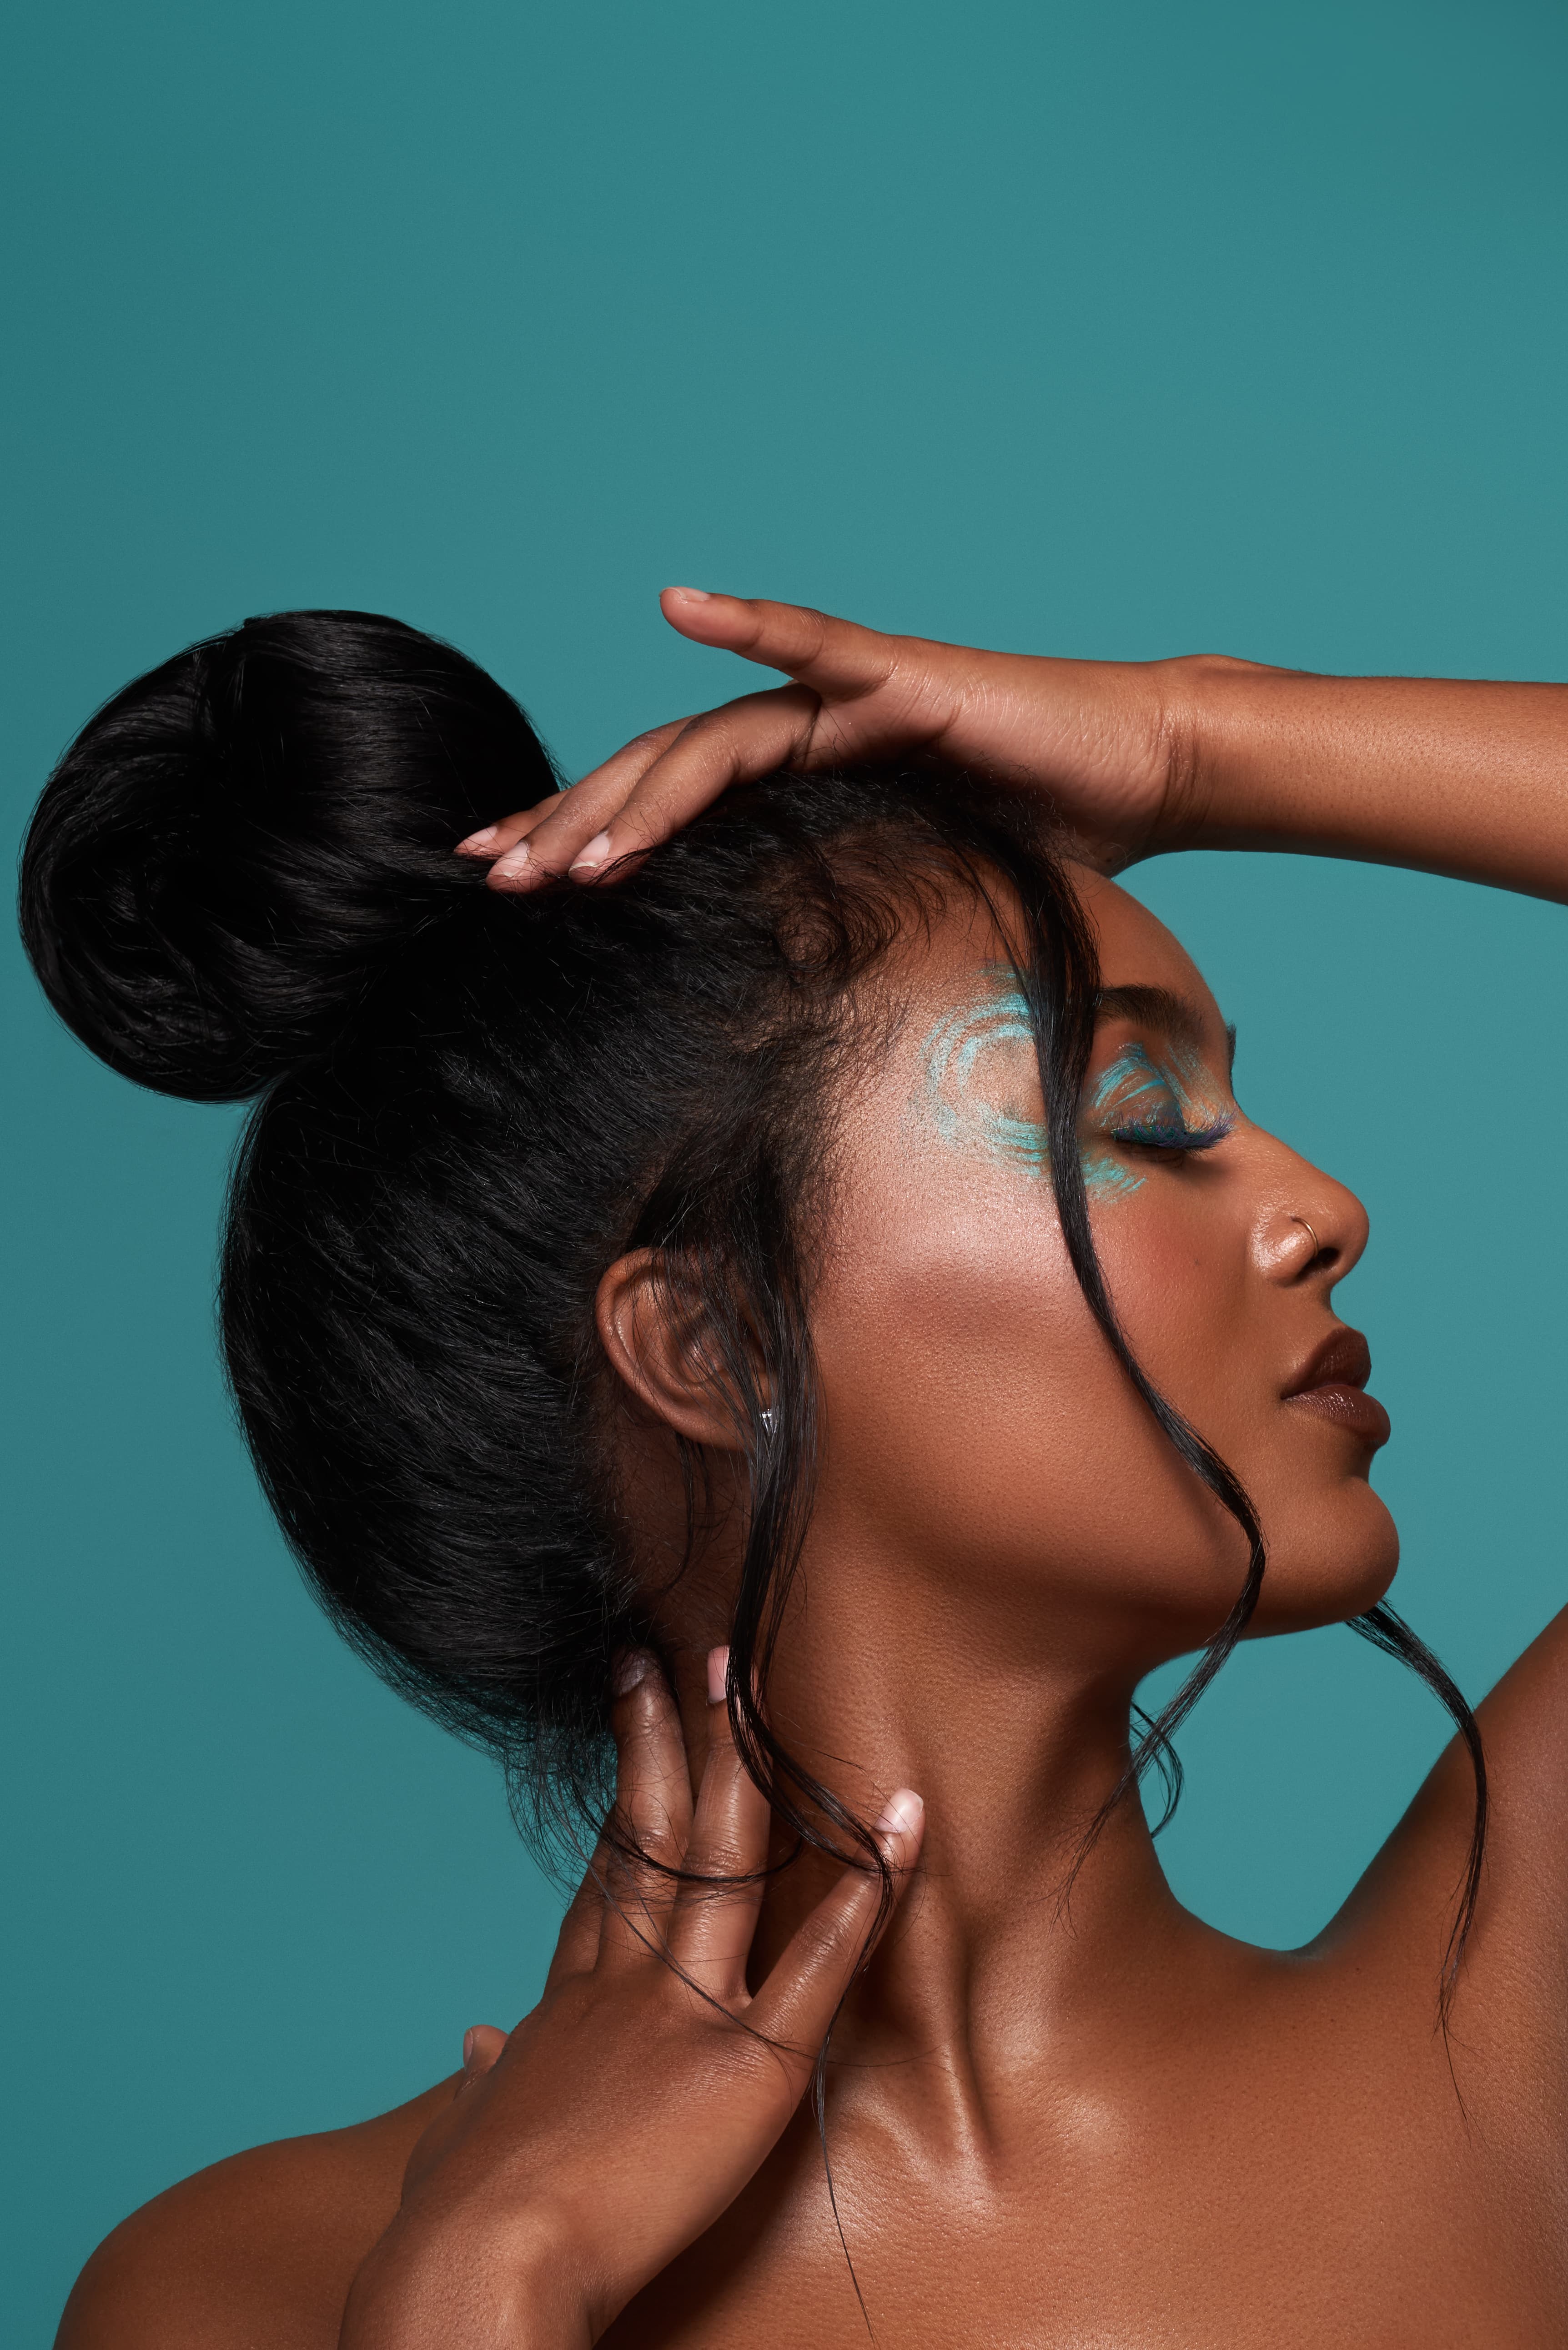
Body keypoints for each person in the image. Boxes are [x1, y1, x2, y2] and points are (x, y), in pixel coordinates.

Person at [28, 590, 1568, 2350]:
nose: (1323, 1211)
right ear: (718, 1345)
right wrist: (483, 2288)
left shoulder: (1518, 2033)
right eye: (1144, 1120)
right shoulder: (248, 2291)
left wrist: (1191, 741)